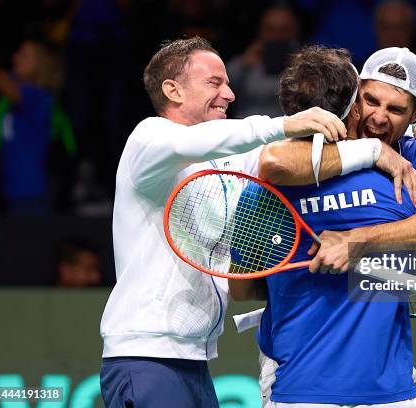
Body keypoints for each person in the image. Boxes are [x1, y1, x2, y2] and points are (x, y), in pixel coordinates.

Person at [98, 36, 350, 408]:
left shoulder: (224, 162)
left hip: (193, 360)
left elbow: (294, 157)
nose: (229, 94)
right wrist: (284, 123)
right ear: (174, 90)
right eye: (215, 83)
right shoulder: (147, 140)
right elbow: (212, 141)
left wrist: (403, 140)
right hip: (145, 355)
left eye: (228, 83)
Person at [231, 46, 416, 407]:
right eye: (370, 100)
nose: (378, 117)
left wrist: (358, 241)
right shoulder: (301, 158)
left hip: (392, 389)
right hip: (299, 387)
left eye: (396, 110)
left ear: (415, 113)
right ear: (354, 94)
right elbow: (273, 162)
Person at [0, 39, 75, 214]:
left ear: (40, 65)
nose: (16, 57)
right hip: (7, 193)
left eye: (25, 55)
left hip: (32, 196)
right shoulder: (10, 101)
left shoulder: (39, 99)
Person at [227, 5, 300, 118]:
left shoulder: (302, 65)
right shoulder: (245, 62)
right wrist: (242, 66)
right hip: (246, 129)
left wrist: (300, 67)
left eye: (284, 30)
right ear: (260, 31)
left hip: (287, 130)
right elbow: (222, 90)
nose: (277, 36)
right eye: (270, 29)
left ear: (294, 32)